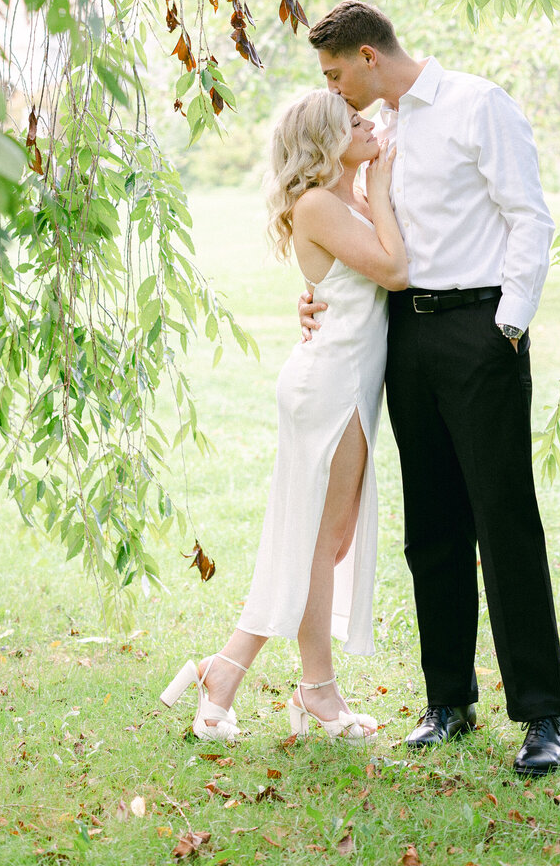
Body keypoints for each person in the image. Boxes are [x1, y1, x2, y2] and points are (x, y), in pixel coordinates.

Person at [301, 1, 560, 778]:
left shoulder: (476, 104)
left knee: (504, 522)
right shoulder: (381, 132)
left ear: (367, 57)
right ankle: (448, 701)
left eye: (335, 74)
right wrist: (315, 294)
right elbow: (362, 238)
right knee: (433, 530)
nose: (335, 91)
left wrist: (508, 327)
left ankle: (544, 714)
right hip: (406, 339)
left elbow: (530, 219)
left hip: (480, 330)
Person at [160, 89, 408, 741]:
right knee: (317, 543)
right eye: (354, 123)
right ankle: (296, 686)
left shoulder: (339, 201)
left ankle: (239, 674)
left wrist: (374, 190)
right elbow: (393, 269)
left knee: (323, 541)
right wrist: (379, 190)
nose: (369, 125)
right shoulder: (322, 203)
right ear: (326, 143)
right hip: (331, 384)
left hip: (342, 381)